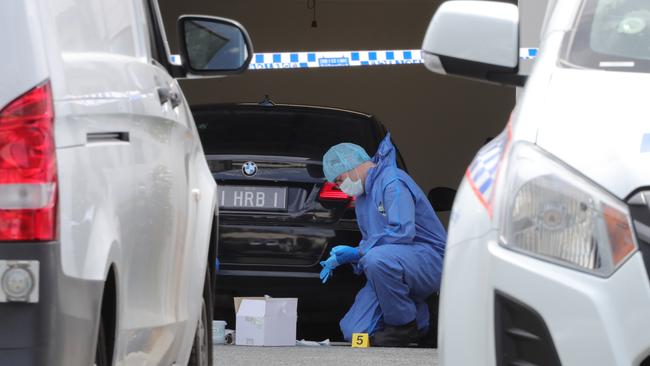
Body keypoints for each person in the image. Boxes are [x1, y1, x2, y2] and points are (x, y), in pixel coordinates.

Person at [320, 133, 447, 347]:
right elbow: (375, 241)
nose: (341, 187)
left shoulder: (392, 182)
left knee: (376, 259)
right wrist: (351, 258)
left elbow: (402, 232)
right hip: (394, 263)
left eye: (339, 180)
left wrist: (358, 253)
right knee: (354, 333)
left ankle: (403, 327)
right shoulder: (363, 198)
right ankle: (425, 321)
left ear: (351, 165)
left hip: (430, 261)